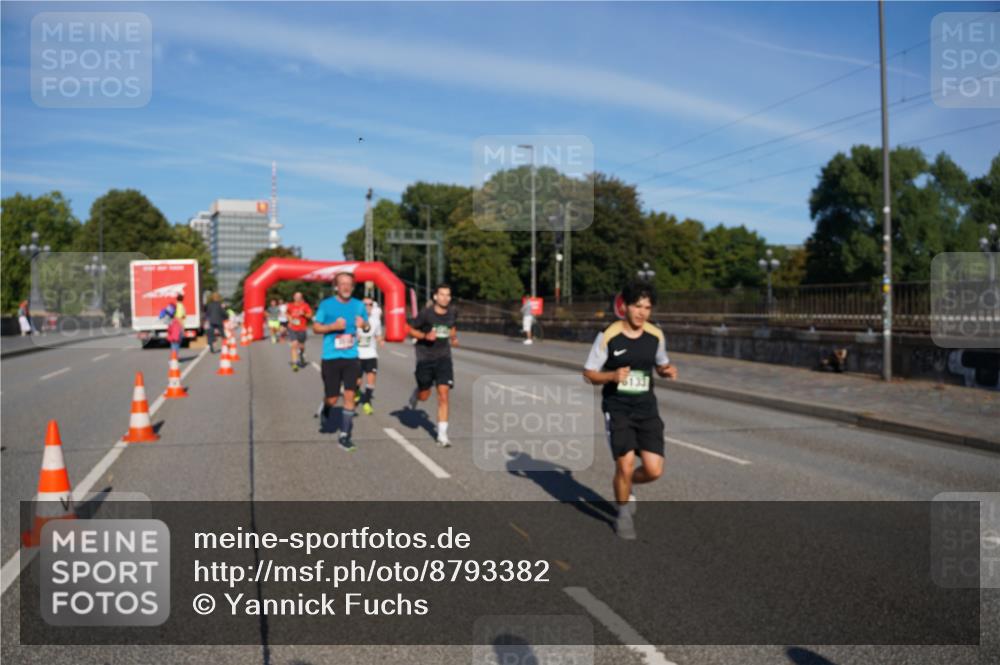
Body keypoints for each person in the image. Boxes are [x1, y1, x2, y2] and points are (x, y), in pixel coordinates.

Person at [582, 280, 678, 540]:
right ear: (624, 306)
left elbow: (661, 363)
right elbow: (589, 374)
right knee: (623, 465)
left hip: (646, 408)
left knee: (654, 469)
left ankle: (627, 485)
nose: (642, 312)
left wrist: (666, 370)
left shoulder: (655, 335)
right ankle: (622, 513)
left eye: (647, 307)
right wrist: (612, 375)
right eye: (638, 306)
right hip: (618, 407)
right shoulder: (609, 335)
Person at [313, 272, 369, 450]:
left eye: (349, 284)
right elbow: (315, 327)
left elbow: (366, 326)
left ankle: (344, 435)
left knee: (350, 394)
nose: (345, 287)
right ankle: (327, 407)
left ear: (353, 287)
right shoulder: (326, 305)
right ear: (336, 287)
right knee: (332, 397)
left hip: (351, 357)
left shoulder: (359, 305)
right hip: (331, 357)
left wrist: (364, 325)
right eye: (342, 284)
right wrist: (333, 327)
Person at [407, 283, 458, 447]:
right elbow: (409, 329)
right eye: (442, 294)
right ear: (435, 297)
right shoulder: (426, 314)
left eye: (448, 295)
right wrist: (424, 335)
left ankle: (442, 435)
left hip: (444, 358)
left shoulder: (452, 312)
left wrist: (454, 337)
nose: (445, 298)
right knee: (425, 395)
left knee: (443, 394)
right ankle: (417, 392)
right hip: (425, 358)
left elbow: (452, 327)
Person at [357, 296, 384, 415]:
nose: (368, 306)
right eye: (365, 304)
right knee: (357, 381)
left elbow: (378, 335)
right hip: (357, 354)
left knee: (371, 379)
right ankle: (357, 392)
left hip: (371, 354)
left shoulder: (376, 321)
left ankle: (367, 402)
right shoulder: (355, 319)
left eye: (370, 304)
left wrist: (380, 340)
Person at [286, 291, 314, 371]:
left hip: (302, 328)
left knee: (301, 346)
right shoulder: (290, 305)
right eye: (296, 296)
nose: (297, 298)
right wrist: (290, 320)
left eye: (299, 297)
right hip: (292, 328)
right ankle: (295, 363)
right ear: (294, 297)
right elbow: (287, 313)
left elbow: (310, 316)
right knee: (294, 345)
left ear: (301, 298)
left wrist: (304, 314)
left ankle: (301, 354)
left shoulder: (305, 306)